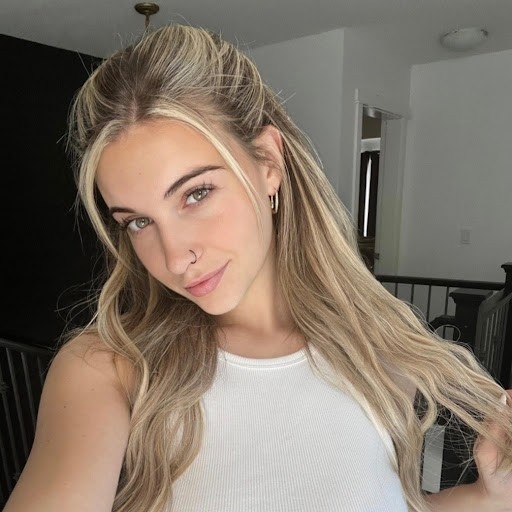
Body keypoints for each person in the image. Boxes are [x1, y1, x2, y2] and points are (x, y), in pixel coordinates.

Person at [4, 24, 512, 512]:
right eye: (138, 222)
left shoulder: (378, 346)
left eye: (196, 194)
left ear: (268, 162)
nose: (175, 257)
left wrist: (489, 498)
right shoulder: (109, 369)